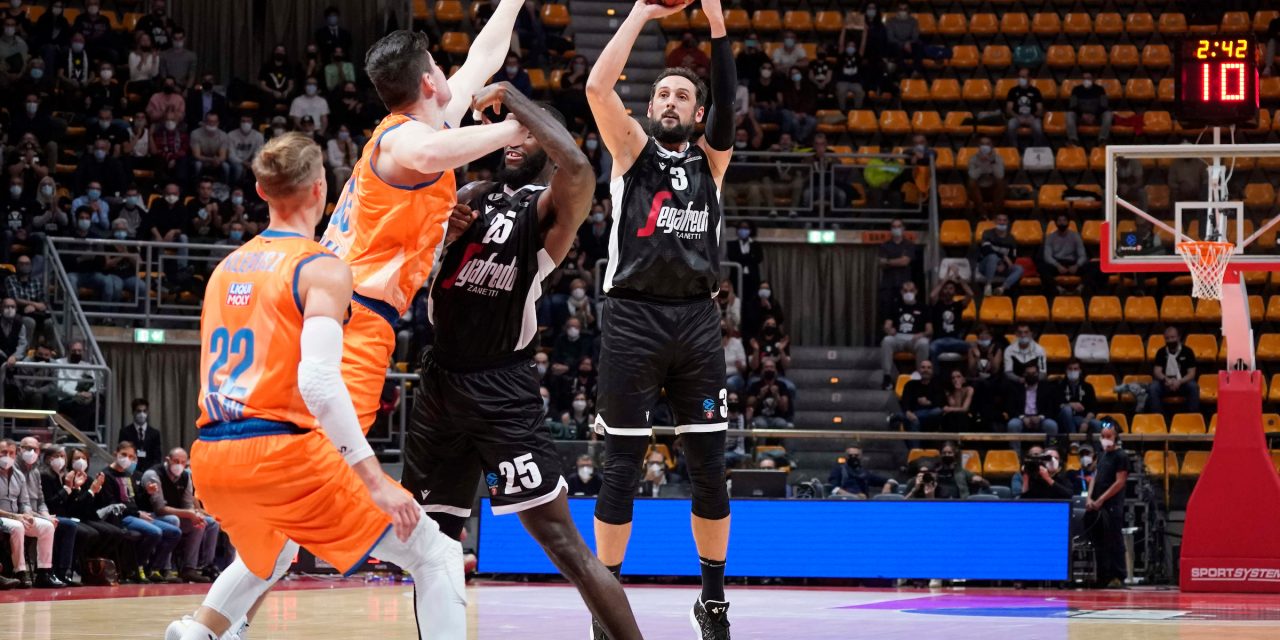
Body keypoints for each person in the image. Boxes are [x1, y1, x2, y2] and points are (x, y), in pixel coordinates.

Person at [164, 133, 463, 640]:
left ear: (260, 190)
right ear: (321, 188)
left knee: (275, 550)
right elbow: (320, 382)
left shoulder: (223, 270)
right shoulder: (319, 267)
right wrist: (374, 482)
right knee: (437, 552)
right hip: (278, 454)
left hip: (212, 455)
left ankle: (199, 633)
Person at [402, 81, 643, 640]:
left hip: (500, 391)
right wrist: (441, 237)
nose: (515, 141)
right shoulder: (471, 194)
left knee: (563, 543)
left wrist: (513, 99)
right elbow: (418, 272)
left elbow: (580, 167)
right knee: (431, 546)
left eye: (530, 134)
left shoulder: (550, 209)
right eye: (512, 135)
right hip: (440, 384)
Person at [586, 0, 737, 635]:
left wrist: (716, 20)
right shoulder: (631, 152)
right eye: (662, 94)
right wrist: (643, 13)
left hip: (698, 325)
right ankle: (607, 605)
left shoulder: (713, 161)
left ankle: (712, 597)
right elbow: (598, 85)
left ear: (698, 114)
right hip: (633, 320)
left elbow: (729, 98)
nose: (670, 100)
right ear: (649, 110)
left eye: (682, 95)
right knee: (619, 468)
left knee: (710, 470)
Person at [318, 16, 529, 438]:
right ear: (430, 82)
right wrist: (515, 129)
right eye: (436, 66)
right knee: (333, 458)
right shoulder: (402, 138)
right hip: (353, 314)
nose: (446, 72)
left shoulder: (426, 125)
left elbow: (483, 57)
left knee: (325, 451)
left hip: (342, 303)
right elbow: (431, 154)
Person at [140, 448, 219, 583]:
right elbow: (159, 509)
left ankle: (193, 568)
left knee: (206, 522)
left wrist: (193, 514)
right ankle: (166, 568)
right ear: (167, 460)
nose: (179, 465)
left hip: (175, 514)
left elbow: (187, 504)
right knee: (173, 520)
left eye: (183, 462)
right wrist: (189, 513)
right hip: (150, 516)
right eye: (176, 461)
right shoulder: (153, 474)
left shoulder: (185, 476)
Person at [0, 438, 63, 587]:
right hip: (5, 517)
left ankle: (44, 572)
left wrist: (28, 515)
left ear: (16, 455)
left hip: (17, 517)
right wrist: (16, 516)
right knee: (17, 526)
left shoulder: (19, 476)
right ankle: (20, 572)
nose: (7, 456)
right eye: (3, 452)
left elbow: (25, 502)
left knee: (47, 526)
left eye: (11, 453)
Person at [1086, 421, 1129, 587]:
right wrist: (1089, 498)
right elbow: (1093, 478)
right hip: (1097, 505)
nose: (1105, 439)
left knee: (1114, 540)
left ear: (1115, 437)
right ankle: (1103, 575)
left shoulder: (1121, 456)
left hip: (1112, 505)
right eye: (1103, 436)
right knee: (1099, 541)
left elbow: (1119, 482)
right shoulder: (1101, 454)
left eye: (1108, 436)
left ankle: (1118, 576)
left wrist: (1101, 499)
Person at [880, 281, 931, 388]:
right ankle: (887, 377)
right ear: (901, 292)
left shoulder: (923, 307)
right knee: (886, 341)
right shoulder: (895, 305)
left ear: (916, 291)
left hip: (915, 338)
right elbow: (886, 326)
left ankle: (920, 376)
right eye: (905, 291)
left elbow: (930, 330)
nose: (908, 293)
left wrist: (921, 334)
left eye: (911, 291)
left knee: (924, 343)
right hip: (898, 337)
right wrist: (889, 330)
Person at [1004, 362, 1059, 455]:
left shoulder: (1046, 388)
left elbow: (1051, 408)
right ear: (1024, 375)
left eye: (1034, 373)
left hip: (1040, 418)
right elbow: (1011, 408)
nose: (1031, 376)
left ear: (1038, 374)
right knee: (1013, 424)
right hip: (1022, 419)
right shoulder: (1016, 388)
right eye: (1028, 374)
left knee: (1052, 425)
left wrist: (1040, 417)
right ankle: (1015, 456)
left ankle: (1051, 453)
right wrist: (1022, 417)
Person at [1149, 326, 1199, 413]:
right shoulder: (1161, 352)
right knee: (1153, 387)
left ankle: (1192, 416)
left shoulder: (1187, 351)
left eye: (1173, 337)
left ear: (1178, 337)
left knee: (1193, 386)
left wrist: (1179, 381)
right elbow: (1157, 371)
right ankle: (1158, 418)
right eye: (1167, 338)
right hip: (1166, 383)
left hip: (1183, 383)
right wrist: (1166, 379)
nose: (1170, 340)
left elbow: (1192, 373)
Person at [1041, 213, 1093, 292]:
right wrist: (1057, 265)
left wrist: (1077, 265)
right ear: (1055, 223)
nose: (1062, 223)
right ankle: (1058, 289)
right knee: (1042, 267)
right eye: (1059, 221)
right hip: (1057, 263)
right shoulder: (1050, 237)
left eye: (1064, 220)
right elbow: (1047, 256)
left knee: (1090, 267)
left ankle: (1080, 288)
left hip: (1072, 263)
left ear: (1068, 222)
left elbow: (1082, 255)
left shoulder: (1075, 236)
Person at [928, 273, 973, 363]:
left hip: (955, 341)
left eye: (951, 289)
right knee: (931, 349)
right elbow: (932, 296)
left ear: (955, 292)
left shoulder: (958, 305)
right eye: (946, 288)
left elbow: (970, 294)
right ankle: (935, 376)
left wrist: (960, 279)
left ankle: (966, 375)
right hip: (939, 340)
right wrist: (945, 280)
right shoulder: (938, 304)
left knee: (973, 348)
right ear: (942, 290)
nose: (948, 291)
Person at [894, 359, 940, 444]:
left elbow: (941, 402)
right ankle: (915, 454)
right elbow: (905, 401)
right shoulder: (910, 385)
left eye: (929, 368)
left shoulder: (937, 385)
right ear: (919, 370)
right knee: (914, 421)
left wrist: (929, 403)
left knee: (937, 411)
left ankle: (898, 416)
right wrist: (907, 412)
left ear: (932, 371)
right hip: (911, 417)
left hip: (931, 419)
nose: (926, 370)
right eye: (923, 367)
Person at [877, 218, 915, 318]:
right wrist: (898, 261)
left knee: (904, 313)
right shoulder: (884, 246)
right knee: (886, 313)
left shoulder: (909, 245)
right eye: (894, 227)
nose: (896, 229)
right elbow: (881, 263)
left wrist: (888, 261)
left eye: (898, 226)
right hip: (888, 286)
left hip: (905, 287)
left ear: (903, 229)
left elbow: (905, 262)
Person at [978, 212, 1021, 295]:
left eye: (1004, 220)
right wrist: (1002, 258)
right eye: (999, 220)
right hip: (985, 265)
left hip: (1002, 268)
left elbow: (1013, 257)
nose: (1002, 222)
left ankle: (1002, 288)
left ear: (1007, 222)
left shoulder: (1011, 239)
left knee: (1019, 268)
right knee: (993, 257)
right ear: (995, 221)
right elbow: (986, 250)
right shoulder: (987, 233)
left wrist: (1004, 265)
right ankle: (988, 286)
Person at [1066, 72, 1112, 145]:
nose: (1086, 80)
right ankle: (1073, 140)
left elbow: (1104, 106)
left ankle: (1102, 139)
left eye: (1088, 78)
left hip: (1096, 118)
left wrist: (1095, 116)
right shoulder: (1076, 90)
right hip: (1081, 117)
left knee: (1108, 114)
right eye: (1084, 78)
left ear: (1093, 79)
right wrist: (1082, 115)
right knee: (1069, 114)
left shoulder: (1100, 89)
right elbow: (1072, 106)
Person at [1006, 67, 1047, 148]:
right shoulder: (1013, 91)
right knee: (1010, 125)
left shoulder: (1035, 91)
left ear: (1029, 78)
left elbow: (1040, 109)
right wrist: (1018, 117)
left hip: (1032, 117)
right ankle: (1014, 149)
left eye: (1023, 77)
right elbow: (1009, 109)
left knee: (1038, 128)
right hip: (1017, 117)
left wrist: (1033, 117)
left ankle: (1035, 149)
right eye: (1020, 77)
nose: (1021, 79)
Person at [1058, 358, 1101, 434]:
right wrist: (1070, 405)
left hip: (1083, 418)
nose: (1072, 371)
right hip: (1064, 419)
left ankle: (1095, 445)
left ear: (1080, 371)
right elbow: (1055, 406)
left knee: (1099, 424)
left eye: (1075, 369)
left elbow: (1093, 409)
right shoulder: (1059, 386)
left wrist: (1085, 422)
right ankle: (1074, 440)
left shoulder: (1088, 387)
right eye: (1070, 369)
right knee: (1067, 410)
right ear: (1066, 370)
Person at [967, 138, 1006, 218]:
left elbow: (1000, 175)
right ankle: (982, 213)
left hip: (992, 190)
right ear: (979, 146)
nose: (985, 146)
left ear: (992, 146)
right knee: (971, 182)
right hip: (978, 191)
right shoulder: (973, 158)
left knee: (1001, 182)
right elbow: (972, 175)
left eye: (987, 144)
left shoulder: (998, 158)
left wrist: (990, 162)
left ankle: (995, 214)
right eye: (982, 144)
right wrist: (982, 166)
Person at [119, 398, 162, 467]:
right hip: (130, 470)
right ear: (133, 412)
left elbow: (157, 458)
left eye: (144, 411)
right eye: (139, 411)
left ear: (147, 412)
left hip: (149, 471)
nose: (142, 414)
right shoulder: (125, 432)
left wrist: (151, 472)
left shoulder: (155, 433)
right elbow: (122, 455)